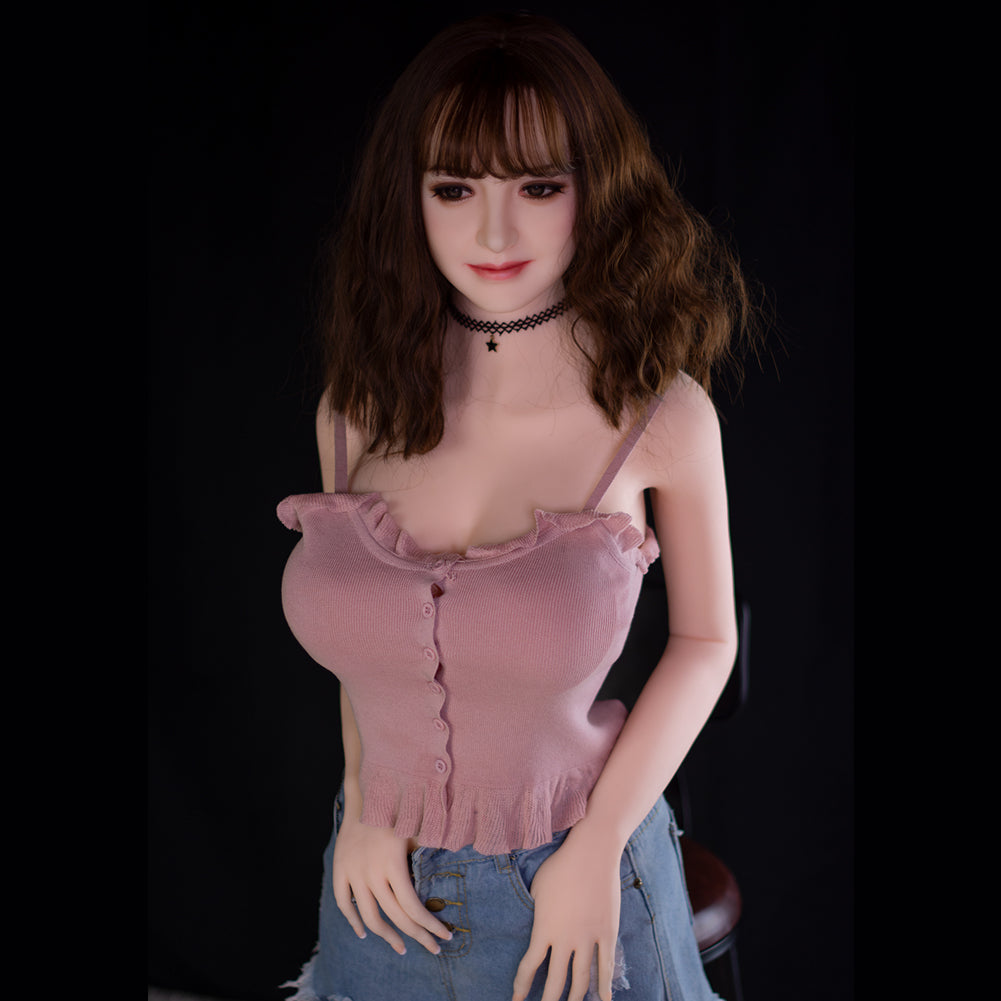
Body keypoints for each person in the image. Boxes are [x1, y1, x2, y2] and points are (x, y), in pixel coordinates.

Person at [277, 12, 754, 1001]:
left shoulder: (659, 412)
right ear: (408, 198)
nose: (493, 233)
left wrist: (598, 844)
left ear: (597, 186)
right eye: (453, 189)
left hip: (577, 880)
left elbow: (706, 640)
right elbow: (369, 649)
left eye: (538, 187)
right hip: (376, 884)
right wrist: (365, 800)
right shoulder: (354, 408)